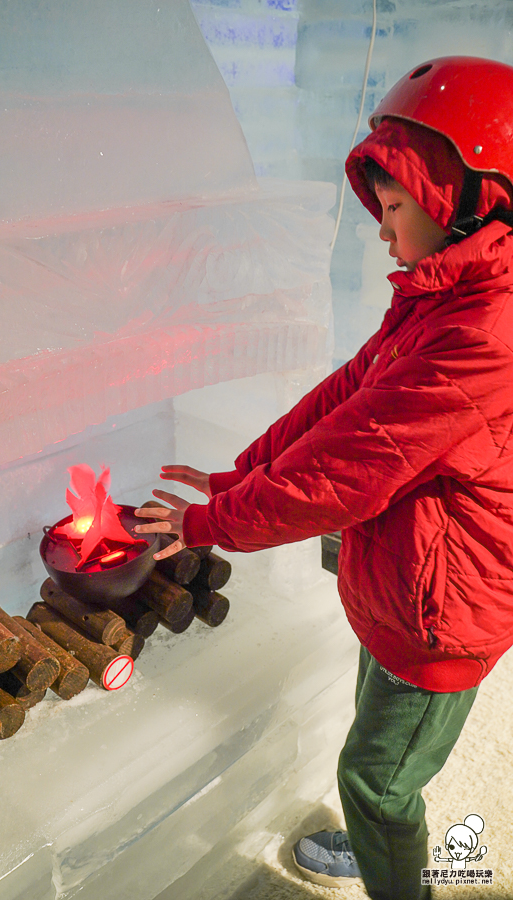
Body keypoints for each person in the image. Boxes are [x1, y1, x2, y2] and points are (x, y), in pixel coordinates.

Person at [134, 56, 513, 900]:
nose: (381, 229)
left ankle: (390, 859)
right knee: (380, 738)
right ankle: (384, 832)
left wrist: (205, 526)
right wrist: (244, 470)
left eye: (395, 208)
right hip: (409, 580)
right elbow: (351, 398)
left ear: (462, 201)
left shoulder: (484, 330)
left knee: (376, 777)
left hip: (444, 613)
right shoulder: (445, 292)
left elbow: (352, 468)